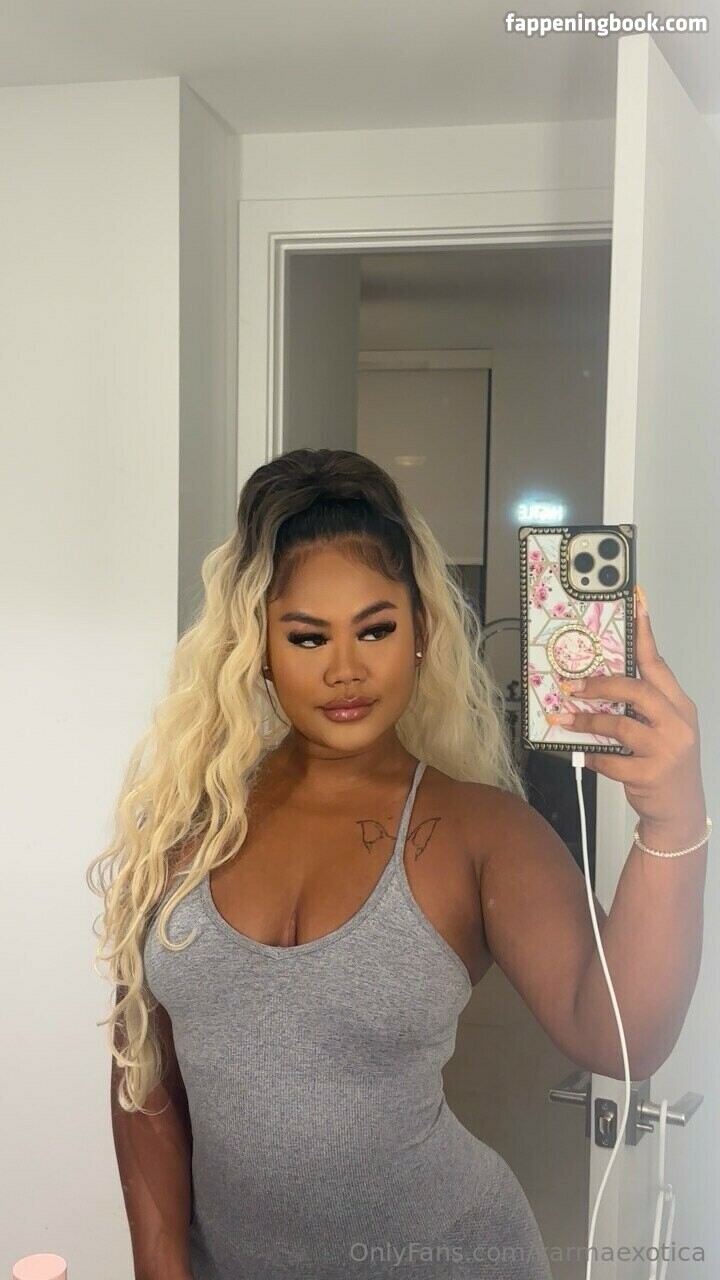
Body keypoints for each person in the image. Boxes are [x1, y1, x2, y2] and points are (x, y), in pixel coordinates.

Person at [87, 448, 708, 1279]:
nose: (346, 668)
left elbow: (620, 1037)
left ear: (421, 631)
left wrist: (673, 818)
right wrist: (160, 1268)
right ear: (257, 647)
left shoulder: (480, 832)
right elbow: (144, 1069)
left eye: (376, 629)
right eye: (307, 636)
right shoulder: (188, 826)